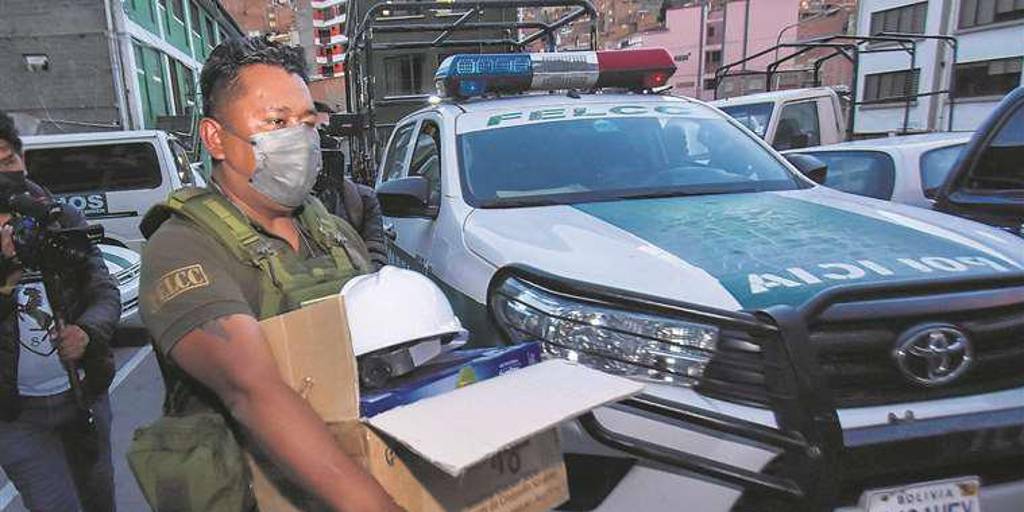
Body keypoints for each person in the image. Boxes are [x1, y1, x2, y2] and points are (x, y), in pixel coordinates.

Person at [137, 36, 401, 511]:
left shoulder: (333, 230)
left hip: (365, 462)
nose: (299, 139)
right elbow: (250, 389)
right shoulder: (181, 247)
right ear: (215, 138)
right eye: (276, 122)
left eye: (307, 123)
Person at [0, 110, 121, 511]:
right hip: (16, 416)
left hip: (82, 395)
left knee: (98, 498)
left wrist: (87, 332)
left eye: (8, 160)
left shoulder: (59, 217)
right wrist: (6, 281)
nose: (4, 174)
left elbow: (103, 289)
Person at [313, 103, 388, 270]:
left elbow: (376, 256)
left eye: (327, 131)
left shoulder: (361, 199)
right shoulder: (280, 203)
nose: (322, 139)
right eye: (313, 131)